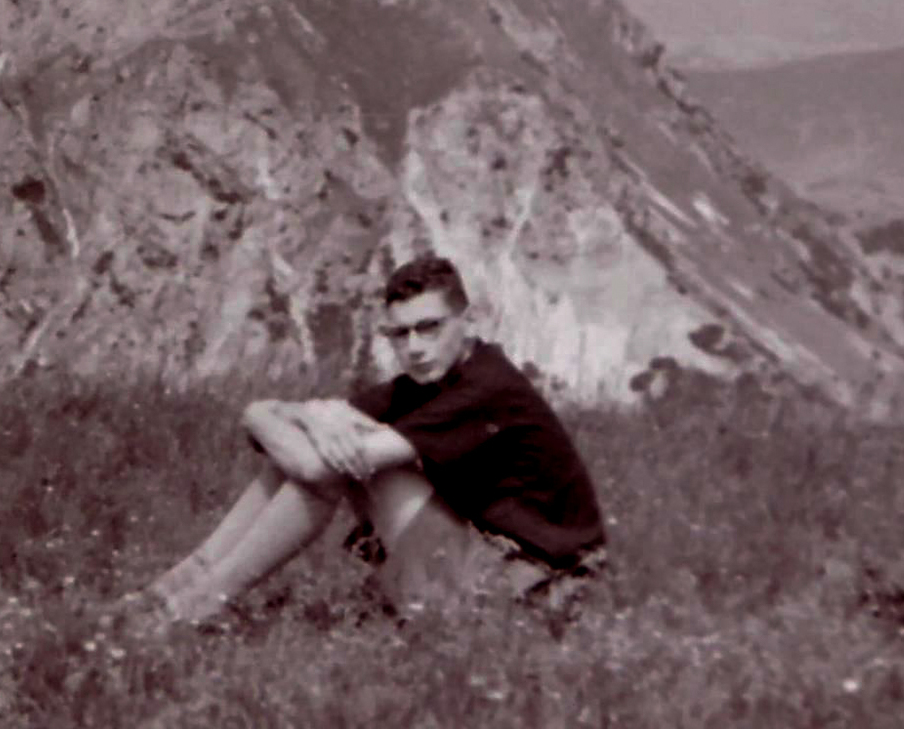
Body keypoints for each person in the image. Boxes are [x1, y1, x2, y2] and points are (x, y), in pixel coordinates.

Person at [141, 253, 606, 626]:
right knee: (330, 446)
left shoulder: (486, 388)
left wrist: (309, 423)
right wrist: (277, 414)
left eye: (430, 327)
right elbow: (313, 421)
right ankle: (176, 589)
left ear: (468, 320)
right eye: (399, 334)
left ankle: (197, 605)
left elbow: (322, 467)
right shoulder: (425, 382)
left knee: (356, 464)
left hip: (531, 592)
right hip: (487, 562)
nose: (415, 347)